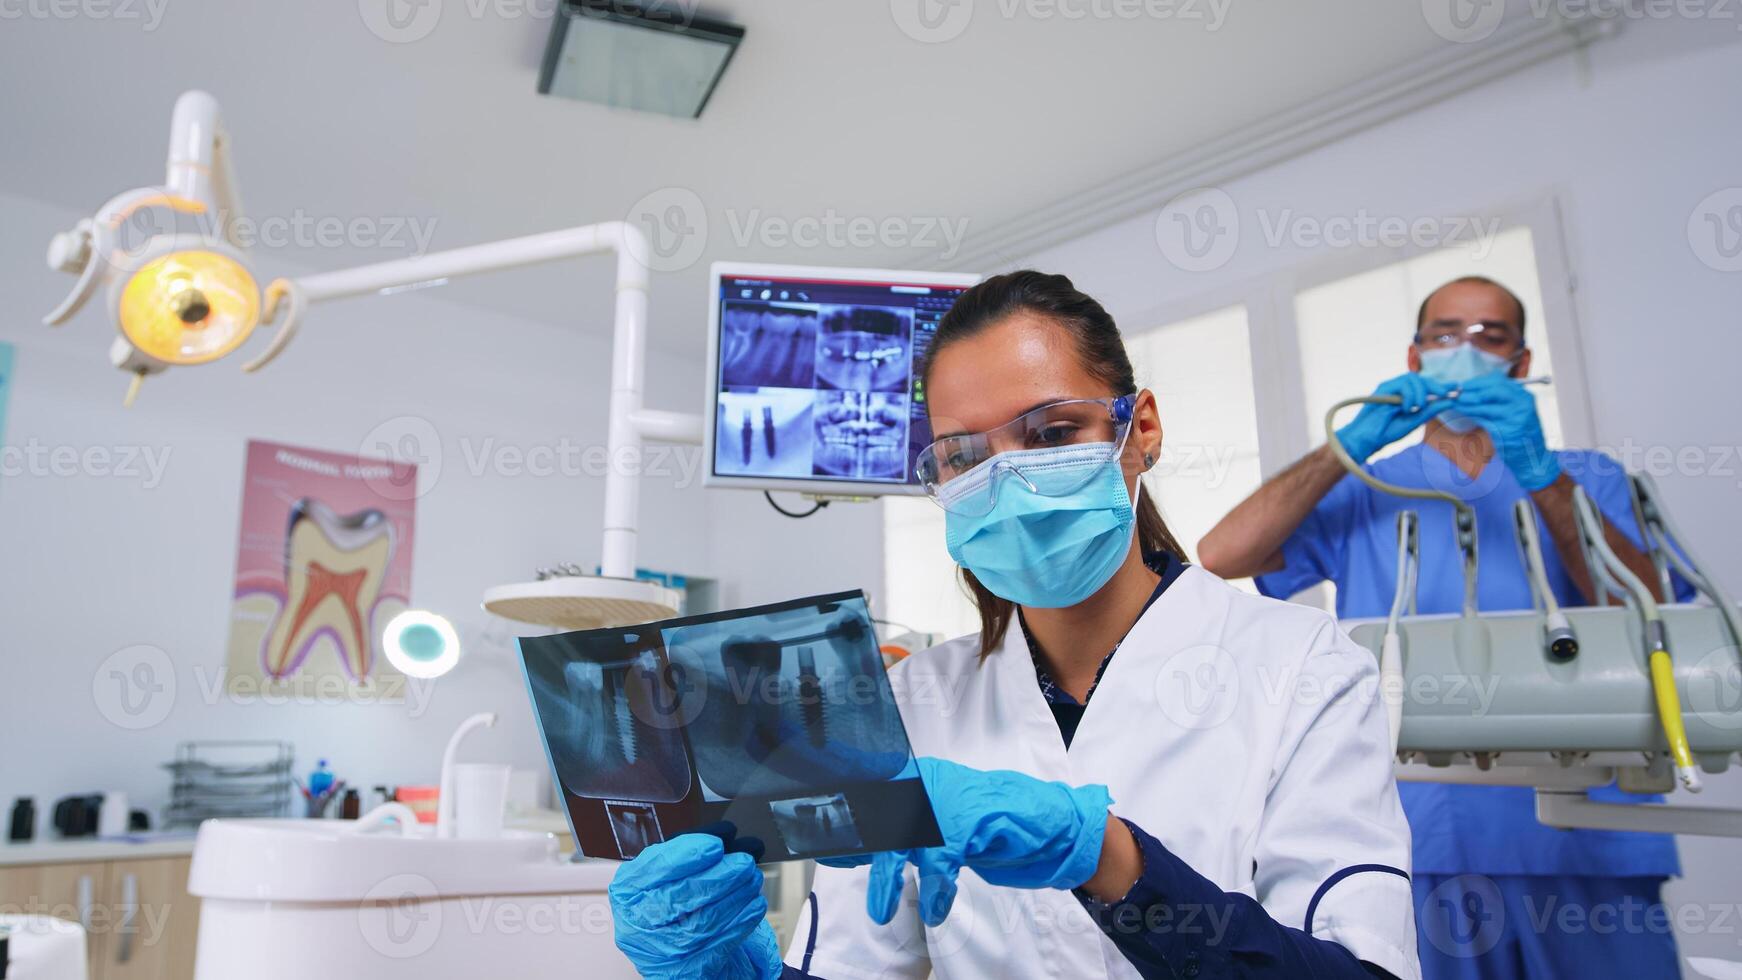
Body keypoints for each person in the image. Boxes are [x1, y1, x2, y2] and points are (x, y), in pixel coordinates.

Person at [606, 271, 1421, 980]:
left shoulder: (1303, 666)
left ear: (1139, 430)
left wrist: (1106, 857)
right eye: (963, 456)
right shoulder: (908, 700)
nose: (1007, 480)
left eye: (1052, 433)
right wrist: (727, 969)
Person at [1198, 275, 1685, 978]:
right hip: (1426, 845)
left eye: (1491, 337)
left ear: (1520, 365)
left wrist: (1539, 472)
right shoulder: (1369, 488)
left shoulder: (1584, 478)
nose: (1467, 349)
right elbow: (1221, 554)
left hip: (1589, 839)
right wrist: (1347, 447)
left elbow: (1644, 607)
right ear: (1415, 355)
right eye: (1446, 334)